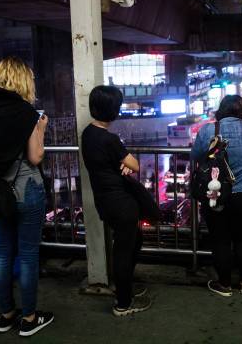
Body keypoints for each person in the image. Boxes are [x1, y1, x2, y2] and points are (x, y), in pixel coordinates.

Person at [0, 56, 53, 336]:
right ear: (22, 80)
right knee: (28, 254)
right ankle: (29, 319)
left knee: (4, 253)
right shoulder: (24, 112)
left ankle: (6, 314)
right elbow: (35, 156)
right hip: (26, 189)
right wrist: (40, 128)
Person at [81, 85, 150, 317]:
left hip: (104, 200)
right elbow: (135, 165)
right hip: (121, 202)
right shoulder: (110, 139)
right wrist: (123, 162)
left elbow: (114, 163)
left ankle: (125, 287)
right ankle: (123, 303)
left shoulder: (88, 134)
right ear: (113, 110)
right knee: (124, 249)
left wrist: (120, 163)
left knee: (134, 241)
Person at [191, 95, 242, 297]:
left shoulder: (209, 130)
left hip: (215, 192)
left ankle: (224, 284)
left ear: (222, 109)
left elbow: (196, 155)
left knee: (220, 239)